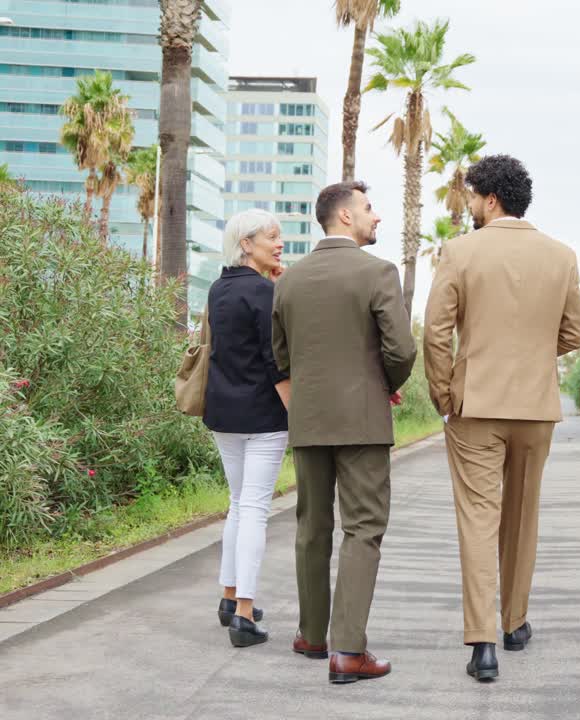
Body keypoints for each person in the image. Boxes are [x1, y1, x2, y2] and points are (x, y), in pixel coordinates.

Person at [424, 154, 580, 682]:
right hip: (537, 408)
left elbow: (435, 331)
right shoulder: (562, 256)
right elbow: (573, 334)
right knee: (522, 515)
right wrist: (537, 359)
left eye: (472, 197)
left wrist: (443, 394)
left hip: (476, 406)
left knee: (478, 519)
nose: (469, 206)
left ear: (490, 200)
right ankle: (515, 623)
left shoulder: (460, 251)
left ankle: (482, 645)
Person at [271, 181, 416, 684]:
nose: (377, 217)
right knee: (363, 527)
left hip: (308, 420)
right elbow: (402, 350)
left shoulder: (288, 280)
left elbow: (281, 357)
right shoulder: (378, 272)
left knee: (312, 526)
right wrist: (384, 386)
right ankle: (348, 650)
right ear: (345, 217)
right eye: (369, 209)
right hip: (362, 420)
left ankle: (313, 635)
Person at [203, 209, 289, 648]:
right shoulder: (265, 293)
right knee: (254, 507)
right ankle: (243, 615)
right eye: (271, 237)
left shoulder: (218, 288)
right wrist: (297, 411)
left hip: (222, 412)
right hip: (262, 415)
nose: (279, 243)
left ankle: (229, 595)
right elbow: (276, 360)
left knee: (239, 503)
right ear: (246, 243)